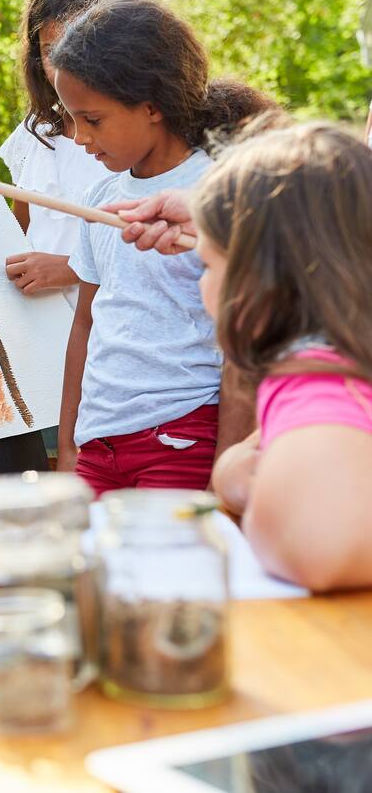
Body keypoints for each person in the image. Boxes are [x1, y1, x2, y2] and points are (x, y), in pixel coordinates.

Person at [48, 0, 275, 495]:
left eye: (93, 120)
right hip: (98, 445)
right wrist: (69, 447)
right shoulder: (100, 197)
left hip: (182, 437)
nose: (79, 137)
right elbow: (85, 324)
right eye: (72, 118)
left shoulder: (221, 191)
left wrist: (226, 469)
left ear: (151, 106)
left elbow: (244, 349)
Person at [129, 123, 372, 592]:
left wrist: (257, 496)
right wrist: (239, 472)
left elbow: (320, 548)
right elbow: (250, 463)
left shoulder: (319, 386)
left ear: (261, 281)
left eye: (209, 265)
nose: (202, 283)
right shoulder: (337, 370)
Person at [0, 0, 133, 308]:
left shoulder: (137, 139)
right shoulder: (36, 131)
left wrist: (71, 269)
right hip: (40, 323)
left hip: (107, 325)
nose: (63, 68)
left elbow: (146, 248)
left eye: (78, 49)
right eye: (51, 52)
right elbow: (20, 227)